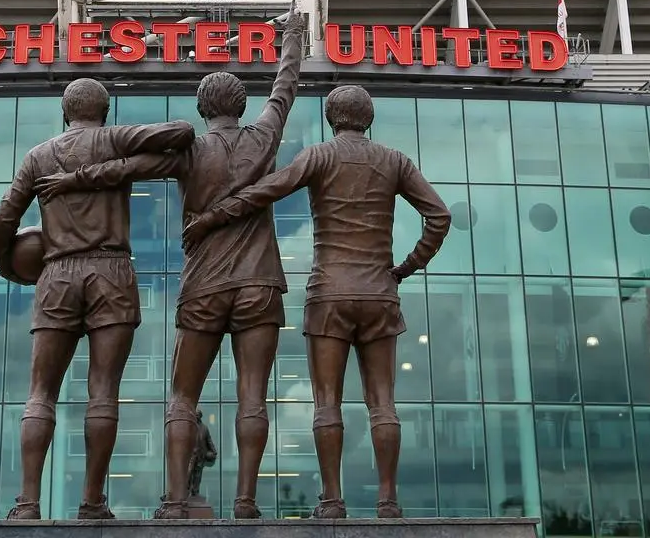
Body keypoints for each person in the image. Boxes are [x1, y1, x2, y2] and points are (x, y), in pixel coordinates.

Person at [35, 11, 307, 519]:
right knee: (253, 396)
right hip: (260, 284)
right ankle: (246, 503)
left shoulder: (190, 151)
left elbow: (127, 169)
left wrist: (73, 179)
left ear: (202, 109)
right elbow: (285, 85)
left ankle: (176, 502)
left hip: (204, 285)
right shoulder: (264, 135)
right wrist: (292, 34)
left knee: (183, 397)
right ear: (241, 105)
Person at [182, 85, 451, 519]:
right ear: (369, 118)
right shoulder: (394, 160)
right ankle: (388, 501)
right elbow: (439, 216)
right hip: (379, 291)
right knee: (382, 402)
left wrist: (213, 216)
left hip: (328, 294)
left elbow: (265, 191)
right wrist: (407, 266)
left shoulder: (318, 156)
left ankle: (331, 500)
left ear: (330, 118)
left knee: (327, 402)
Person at [0, 78, 195, 521]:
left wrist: (8, 266)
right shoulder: (113, 139)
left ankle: (27, 504)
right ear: (104, 112)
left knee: (40, 392)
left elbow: (4, 217)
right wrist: (127, 162)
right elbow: (182, 132)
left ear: (66, 113)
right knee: (103, 392)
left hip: (57, 273)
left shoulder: (38, 156)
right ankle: (93, 503)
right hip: (111, 271)